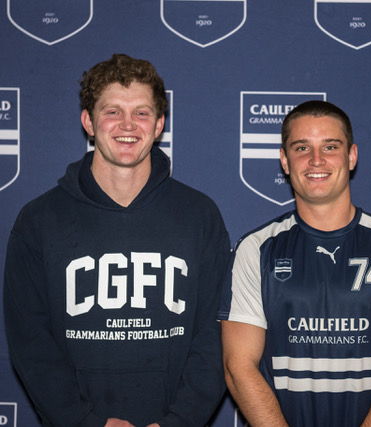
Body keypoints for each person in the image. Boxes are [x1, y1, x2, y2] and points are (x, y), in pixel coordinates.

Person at [3, 54, 230, 427]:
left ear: (159, 125)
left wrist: (178, 422)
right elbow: (31, 345)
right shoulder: (39, 220)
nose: (128, 125)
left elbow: (215, 337)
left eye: (141, 113)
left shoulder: (199, 215)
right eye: (112, 112)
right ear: (88, 122)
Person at [218, 100, 371, 426]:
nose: (316, 160)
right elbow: (239, 368)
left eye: (330, 146)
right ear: (284, 160)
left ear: (351, 156)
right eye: (301, 148)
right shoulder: (255, 249)